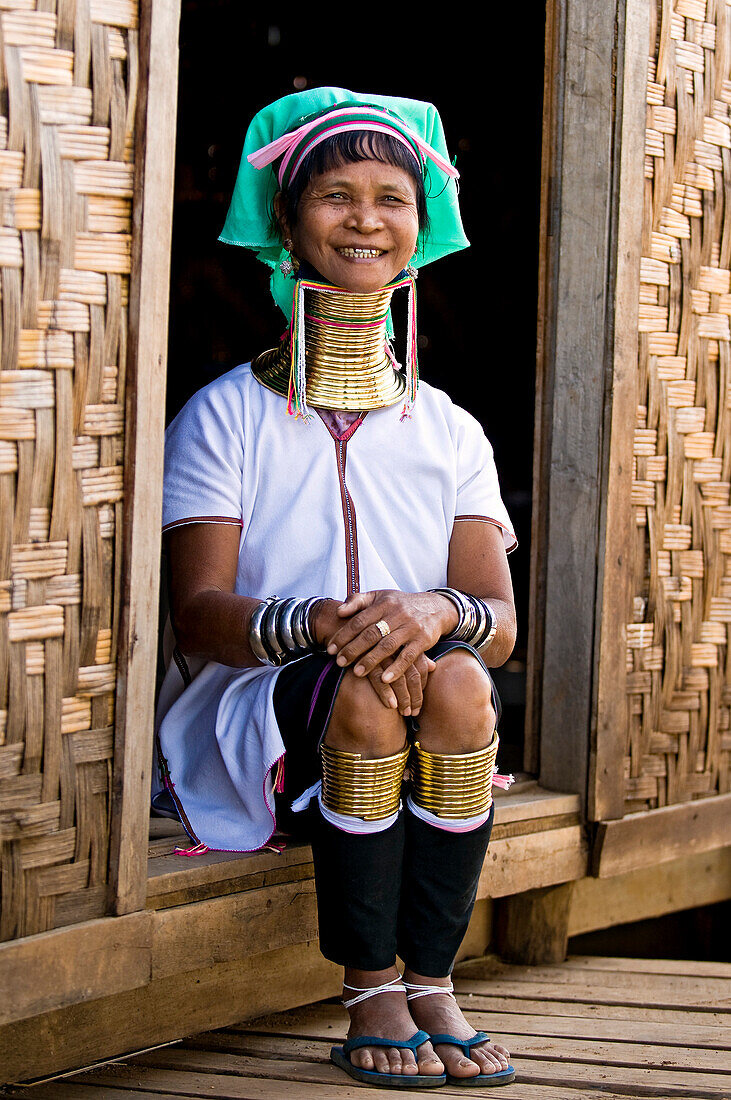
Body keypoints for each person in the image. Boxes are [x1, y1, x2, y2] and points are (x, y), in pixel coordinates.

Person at [154, 87, 517, 1088]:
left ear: (419, 227)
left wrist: (435, 609)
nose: (363, 217)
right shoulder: (226, 416)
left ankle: (432, 976)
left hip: (420, 692)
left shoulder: (445, 429)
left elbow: (496, 623)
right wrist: (322, 619)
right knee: (363, 688)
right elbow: (198, 617)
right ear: (287, 222)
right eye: (335, 195)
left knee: (462, 686)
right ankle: (370, 982)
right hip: (256, 704)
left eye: (389, 196)